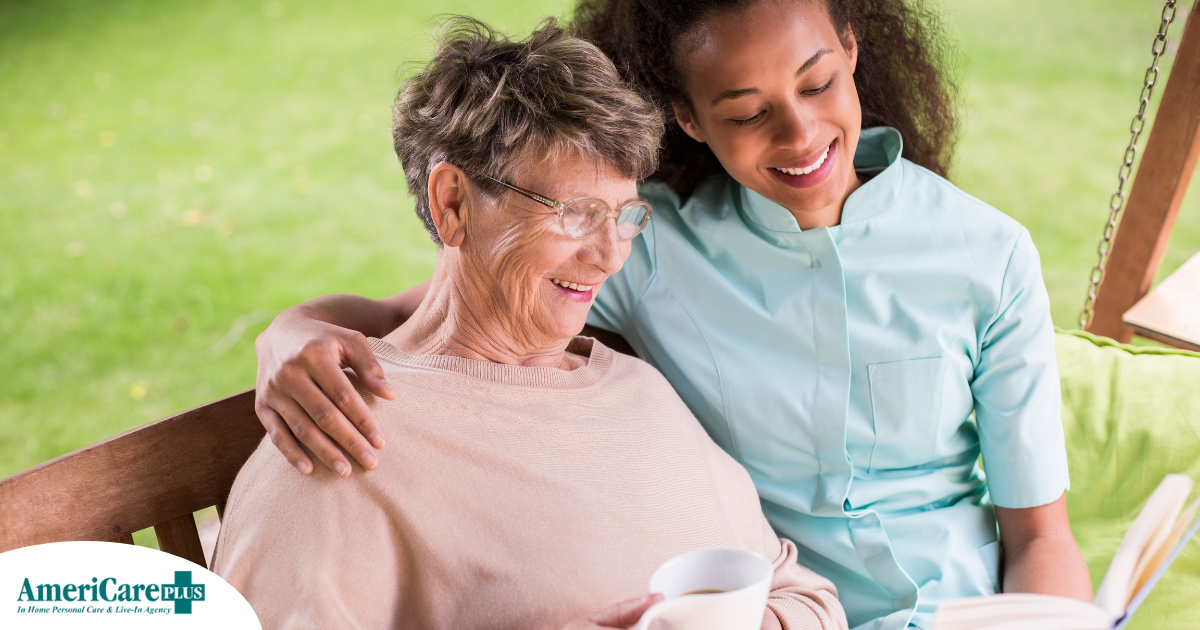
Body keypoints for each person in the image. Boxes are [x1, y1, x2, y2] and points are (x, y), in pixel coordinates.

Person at [249, 1, 1095, 628]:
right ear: (691, 119)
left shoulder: (987, 253)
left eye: (819, 83)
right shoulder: (655, 250)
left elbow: (1034, 535)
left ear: (852, 50)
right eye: (746, 111)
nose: (801, 135)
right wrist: (288, 334)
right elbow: (437, 313)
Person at [213, 18, 847, 630]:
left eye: (625, 216)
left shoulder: (636, 391)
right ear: (453, 203)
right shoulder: (339, 440)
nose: (610, 255)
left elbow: (803, 594)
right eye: (576, 212)